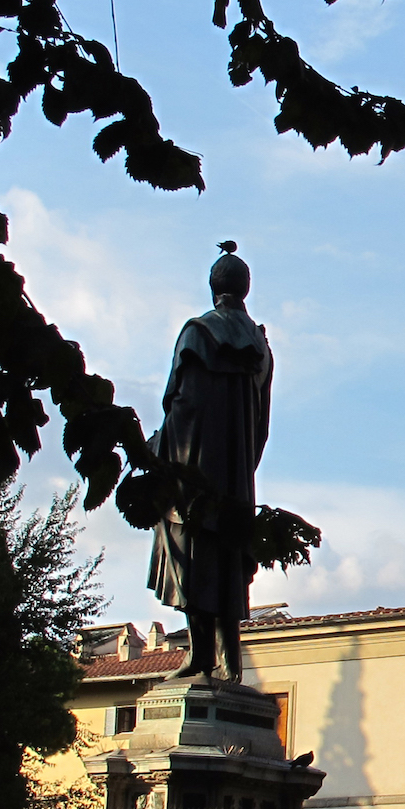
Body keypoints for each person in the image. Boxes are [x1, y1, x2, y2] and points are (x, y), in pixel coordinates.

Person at [152, 243, 274, 684]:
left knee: (192, 552)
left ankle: (200, 655)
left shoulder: (197, 334)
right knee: (227, 559)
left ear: (212, 288)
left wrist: (162, 453)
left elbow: (181, 406)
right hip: (236, 476)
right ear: (245, 290)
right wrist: (244, 464)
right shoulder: (261, 346)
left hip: (194, 469)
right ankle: (230, 663)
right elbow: (262, 419)